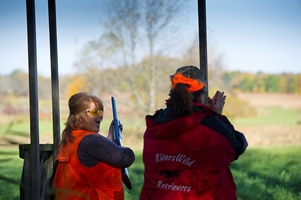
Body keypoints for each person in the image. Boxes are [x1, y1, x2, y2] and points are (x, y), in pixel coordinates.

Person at [140, 66, 248, 200]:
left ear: (173, 92)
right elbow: (238, 146)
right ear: (201, 95)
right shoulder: (212, 128)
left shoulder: (154, 126)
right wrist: (217, 116)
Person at [52, 92, 135, 200]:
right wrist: (119, 142)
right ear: (79, 117)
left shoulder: (71, 138)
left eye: (100, 111)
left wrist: (111, 137)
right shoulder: (91, 141)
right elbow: (127, 158)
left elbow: (95, 154)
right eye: (94, 112)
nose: (100, 115)